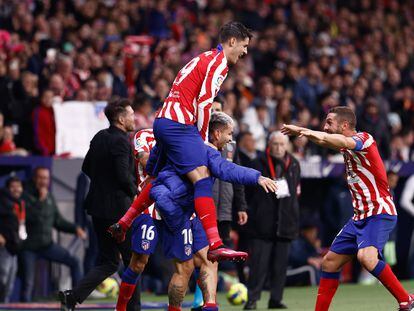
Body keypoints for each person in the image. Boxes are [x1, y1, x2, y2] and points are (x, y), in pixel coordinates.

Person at [119, 21, 253, 262]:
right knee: (201, 176)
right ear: (232, 41)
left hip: (163, 121)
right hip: (179, 126)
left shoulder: (203, 58)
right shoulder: (219, 63)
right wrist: (202, 141)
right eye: (244, 46)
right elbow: (203, 104)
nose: (245, 52)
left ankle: (125, 220)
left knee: (157, 175)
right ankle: (215, 243)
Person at [282, 106, 414, 311]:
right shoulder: (346, 146)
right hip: (360, 217)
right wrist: (307, 134)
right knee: (329, 263)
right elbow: (325, 140)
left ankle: (406, 300)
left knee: (366, 258)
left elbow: (337, 140)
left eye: (329, 122)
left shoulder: (365, 139)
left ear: (344, 125)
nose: (325, 127)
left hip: (379, 212)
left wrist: (304, 130)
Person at [59, 98, 140, 311]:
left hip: (97, 209)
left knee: (108, 262)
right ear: (121, 119)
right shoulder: (122, 141)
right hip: (119, 213)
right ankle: (134, 309)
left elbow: (86, 167)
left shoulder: (99, 137)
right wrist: (137, 192)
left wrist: (103, 183)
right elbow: (123, 176)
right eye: (131, 115)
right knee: (133, 262)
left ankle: (72, 296)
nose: (135, 118)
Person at [244, 131, 301, 310]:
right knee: (258, 266)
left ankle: (276, 299)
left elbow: (295, 193)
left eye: (281, 144)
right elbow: (248, 193)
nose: (278, 148)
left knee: (280, 267)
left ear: (287, 146)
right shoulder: (257, 163)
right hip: (263, 224)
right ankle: (252, 300)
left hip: (285, 223)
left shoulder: (294, 164)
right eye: (275, 144)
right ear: (269, 145)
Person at [21, 167, 86, 302]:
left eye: (46, 178)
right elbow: (32, 217)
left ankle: (77, 298)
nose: (43, 181)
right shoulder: (25, 195)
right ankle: (24, 305)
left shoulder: (49, 196)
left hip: (47, 245)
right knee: (28, 283)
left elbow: (58, 221)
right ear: (35, 178)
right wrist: (40, 200)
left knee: (75, 261)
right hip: (29, 247)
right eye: (41, 177)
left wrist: (76, 229)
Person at [0, 176, 26, 302]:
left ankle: (4, 305)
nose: (16, 189)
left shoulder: (19, 203)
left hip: (14, 246)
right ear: (7, 189)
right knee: (2, 278)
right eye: (13, 187)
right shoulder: (3, 200)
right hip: (3, 246)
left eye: (18, 186)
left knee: (9, 281)